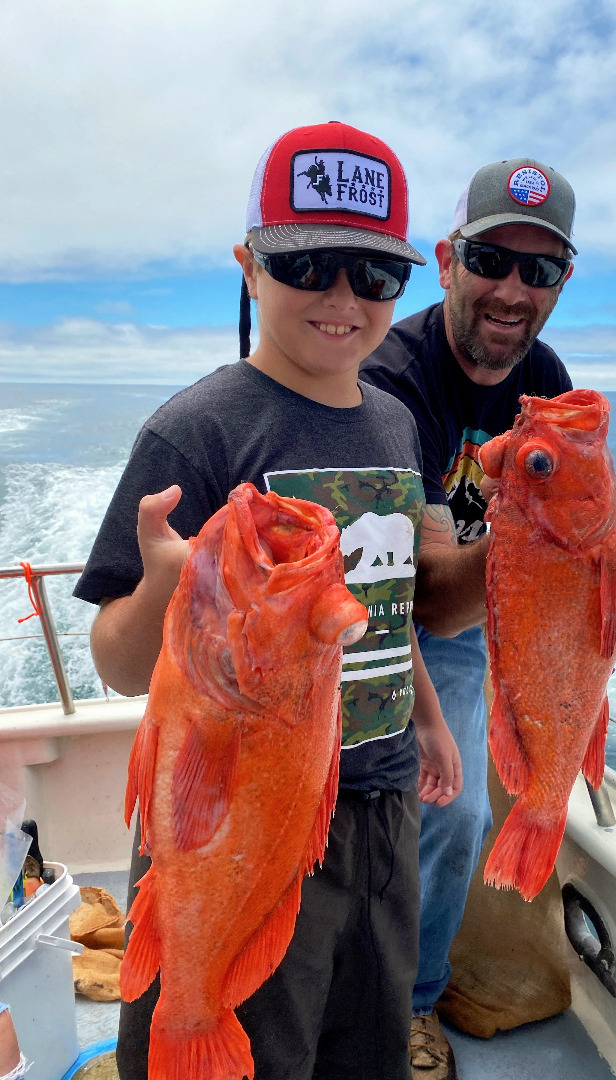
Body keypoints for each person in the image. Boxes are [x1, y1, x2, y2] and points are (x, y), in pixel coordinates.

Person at [74, 121, 462, 1080]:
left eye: (374, 276)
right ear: (249, 268)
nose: (342, 300)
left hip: (380, 803)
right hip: (236, 816)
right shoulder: (195, 433)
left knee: (365, 1047)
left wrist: (433, 722)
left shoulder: (395, 421)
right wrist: (163, 586)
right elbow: (118, 668)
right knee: (243, 1042)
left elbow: (384, 602)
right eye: (308, 265)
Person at [360, 156, 577, 1080]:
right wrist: (539, 521)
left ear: (563, 284)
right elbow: (430, 596)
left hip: (500, 604)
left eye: (541, 271)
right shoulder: (391, 384)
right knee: (454, 807)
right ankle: (410, 1001)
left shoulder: (549, 375)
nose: (512, 289)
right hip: (404, 615)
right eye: (493, 258)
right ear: (448, 259)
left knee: (532, 778)